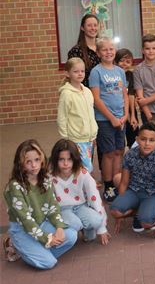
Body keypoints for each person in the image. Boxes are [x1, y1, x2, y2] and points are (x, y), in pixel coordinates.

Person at [3, 140, 77, 269]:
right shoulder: (15, 186)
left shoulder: (46, 180)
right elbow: (26, 221)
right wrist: (47, 239)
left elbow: (53, 207)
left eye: (37, 160)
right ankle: (15, 244)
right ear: (21, 164)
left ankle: (38, 251)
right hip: (22, 229)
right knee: (48, 263)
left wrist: (59, 227)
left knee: (71, 235)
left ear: (42, 159)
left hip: (41, 223)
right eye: (28, 162)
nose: (34, 165)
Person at [110, 122, 155, 240]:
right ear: (137, 139)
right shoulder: (130, 155)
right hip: (133, 191)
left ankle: (152, 213)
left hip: (151, 194)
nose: (147, 144)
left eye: (152, 140)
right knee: (114, 211)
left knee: (146, 223)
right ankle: (138, 209)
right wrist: (119, 217)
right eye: (143, 139)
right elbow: (124, 182)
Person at [89, 37, 129, 203]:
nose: (109, 52)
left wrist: (125, 115)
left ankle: (117, 180)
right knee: (109, 152)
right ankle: (109, 185)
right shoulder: (96, 72)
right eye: (104, 50)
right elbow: (96, 99)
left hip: (121, 119)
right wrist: (111, 118)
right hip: (105, 120)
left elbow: (124, 94)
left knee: (119, 150)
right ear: (98, 53)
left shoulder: (119, 71)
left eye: (111, 49)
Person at [50, 139, 110, 245]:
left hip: (81, 206)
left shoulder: (83, 173)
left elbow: (95, 198)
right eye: (61, 159)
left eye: (69, 159)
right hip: (62, 209)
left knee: (96, 220)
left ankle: (87, 229)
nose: (65, 163)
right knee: (75, 224)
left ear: (75, 159)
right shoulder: (50, 176)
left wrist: (101, 228)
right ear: (55, 160)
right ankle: (76, 229)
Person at [57, 57, 98, 173]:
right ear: (67, 73)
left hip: (88, 138)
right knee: (85, 168)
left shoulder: (87, 92)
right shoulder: (66, 94)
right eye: (76, 71)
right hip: (75, 138)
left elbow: (90, 114)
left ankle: (81, 187)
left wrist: (93, 134)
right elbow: (62, 117)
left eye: (82, 71)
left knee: (83, 167)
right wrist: (66, 139)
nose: (80, 74)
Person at [67, 14, 100, 87]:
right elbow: (72, 77)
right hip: (85, 94)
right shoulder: (76, 51)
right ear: (82, 28)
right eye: (89, 25)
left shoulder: (103, 48)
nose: (93, 28)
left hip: (105, 94)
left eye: (95, 25)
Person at [115, 48, 138, 148]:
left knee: (134, 139)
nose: (124, 64)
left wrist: (132, 115)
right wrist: (126, 115)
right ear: (115, 62)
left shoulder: (130, 75)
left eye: (128, 62)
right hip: (118, 111)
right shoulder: (113, 75)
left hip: (130, 109)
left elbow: (131, 95)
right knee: (119, 143)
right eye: (121, 61)